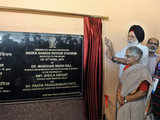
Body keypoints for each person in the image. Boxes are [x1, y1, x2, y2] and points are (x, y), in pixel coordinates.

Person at [116, 46, 152, 120]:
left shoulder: (143, 71)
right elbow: (120, 84)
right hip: (122, 102)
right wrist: (119, 96)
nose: (125, 58)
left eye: (128, 56)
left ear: (137, 57)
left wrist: (126, 99)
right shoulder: (126, 68)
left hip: (135, 104)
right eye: (126, 55)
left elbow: (143, 92)